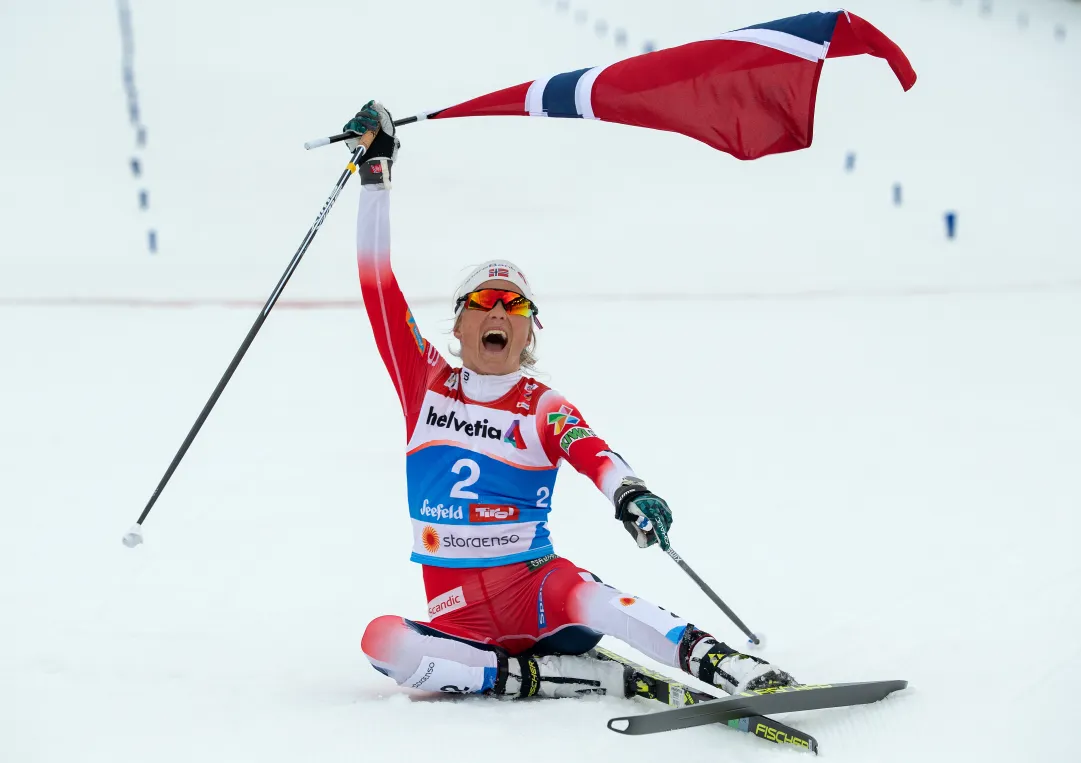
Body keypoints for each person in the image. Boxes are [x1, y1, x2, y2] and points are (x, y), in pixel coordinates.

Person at [347, 101, 796, 699]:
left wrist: (632, 494)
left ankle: (734, 669)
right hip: (458, 615)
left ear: (531, 333)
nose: (499, 311)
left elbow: (594, 454)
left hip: (537, 590)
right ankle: (541, 679)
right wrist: (374, 175)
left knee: (601, 601)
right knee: (383, 642)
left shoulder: (541, 403)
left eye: (515, 306)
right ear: (458, 327)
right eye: (483, 304)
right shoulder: (423, 381)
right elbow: (378, 285)